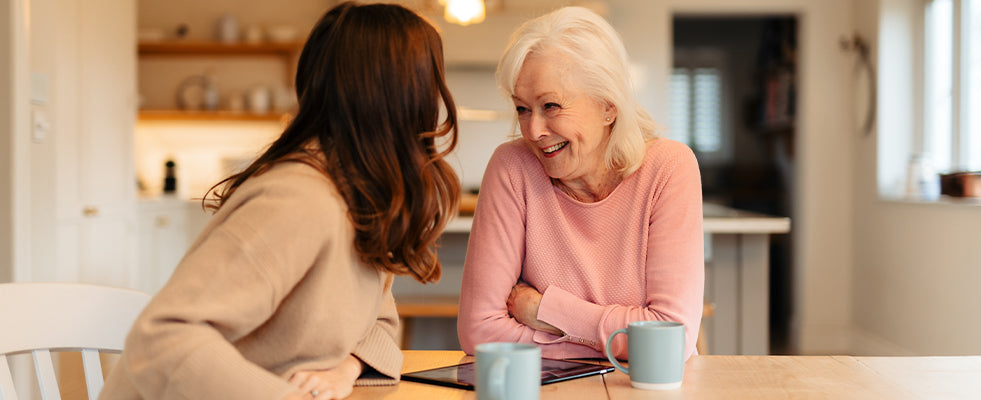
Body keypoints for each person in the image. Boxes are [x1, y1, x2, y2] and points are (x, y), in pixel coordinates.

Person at [99, 3, 460, 400]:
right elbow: (164, 340)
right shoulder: (299, 200)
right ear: (405, 98)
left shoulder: (365, 197)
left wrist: (345, 368)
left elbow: (379, 321)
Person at [457, 6, 704, 361]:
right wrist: (617, 343)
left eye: (551, 106)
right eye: (522, 109)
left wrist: (548, 310)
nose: (533, 131)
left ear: (608, 106)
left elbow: (672, 338)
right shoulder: (511, 166)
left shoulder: (668, 168)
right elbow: (479, 331)